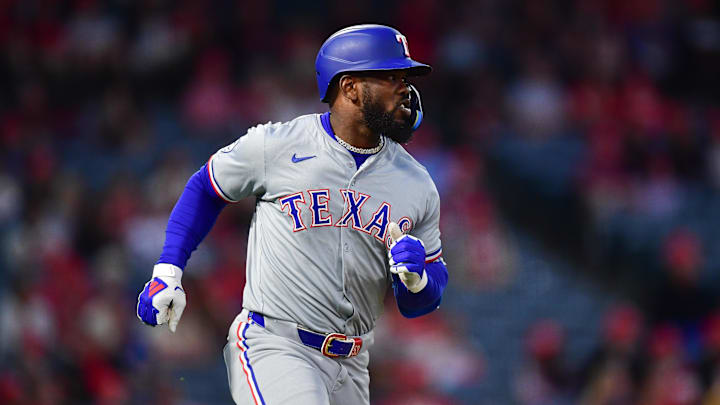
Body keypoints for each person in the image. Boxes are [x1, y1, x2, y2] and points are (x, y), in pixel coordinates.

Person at [136, 24, 449, 405]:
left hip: (352, 365)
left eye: (405, 77)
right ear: (350, 87)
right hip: (277, 345)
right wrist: (168, 270)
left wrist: (418, 281)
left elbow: (422, 301)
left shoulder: (417, 184)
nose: (404, 87)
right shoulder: (278, 145)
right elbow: (206, 186)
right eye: (390, 76)